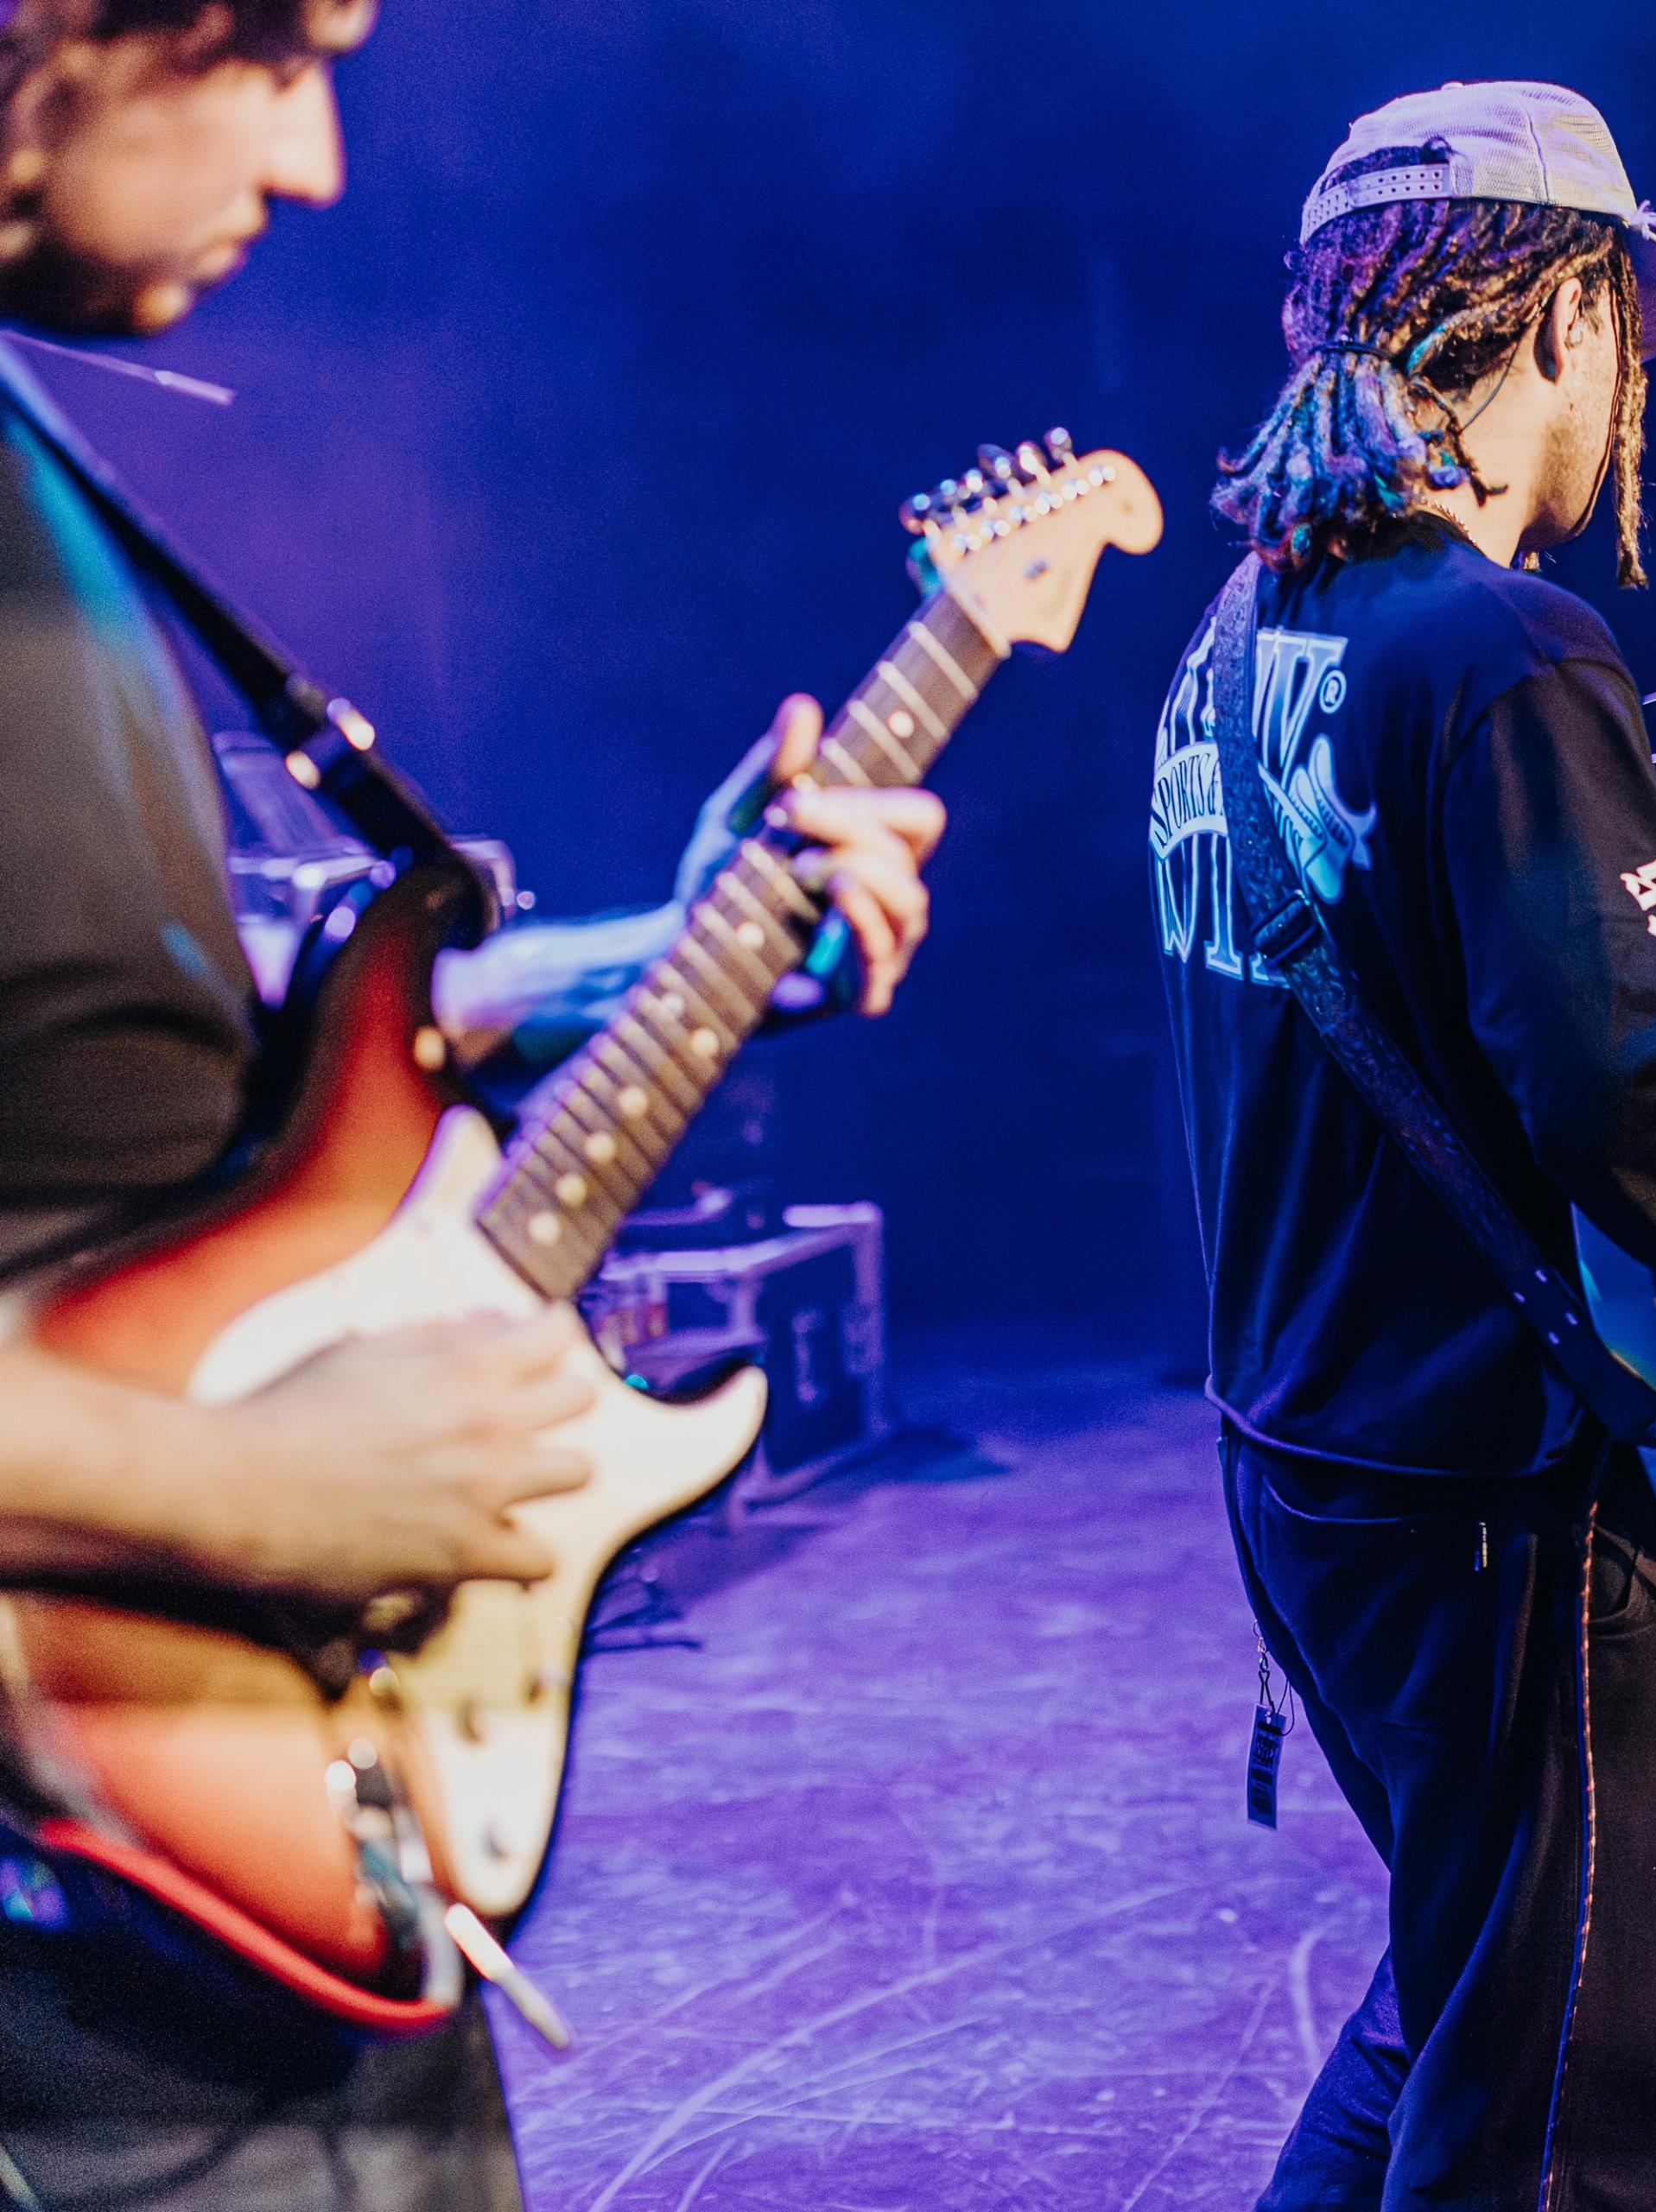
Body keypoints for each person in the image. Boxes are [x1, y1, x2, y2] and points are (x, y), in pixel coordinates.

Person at [0, 3, 946, 2204]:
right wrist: (236, 1494)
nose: (321, 155)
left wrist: (656, 958)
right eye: (269, 49)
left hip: (244, 1864)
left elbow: (118, 1030)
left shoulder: (37, 454)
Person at [1152, 83, 1656, 2211]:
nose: (1630, 391)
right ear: (1559, 310)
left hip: (1314, 1466)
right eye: (1625, 337)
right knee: (1573, 2093)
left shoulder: (1237, 645)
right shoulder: (1499, 646)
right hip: (1507, 1513)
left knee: (1459, 1999)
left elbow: (1449, 1019)